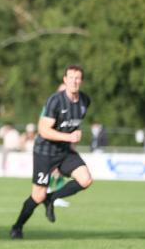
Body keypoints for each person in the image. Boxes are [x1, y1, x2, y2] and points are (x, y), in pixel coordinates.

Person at [10, 66, 93, 238]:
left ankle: (53, 198)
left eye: (77, 78)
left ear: (81, 81)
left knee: (86, 180)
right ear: (65, 80)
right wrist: (69, 138)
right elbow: (43, 130)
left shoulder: (85, 101)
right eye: (71, 78)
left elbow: (72, 125)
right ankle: (17, 227)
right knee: (38, 196)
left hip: (64, 151)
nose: (74, 81)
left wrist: (71, 142)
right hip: (45, 152)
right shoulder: (55, 100)